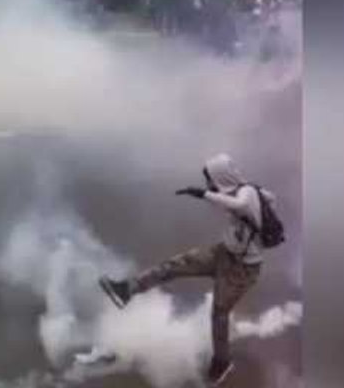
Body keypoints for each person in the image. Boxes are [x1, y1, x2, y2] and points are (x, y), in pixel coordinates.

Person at [97, 154, 276, 385]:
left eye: (211, 179)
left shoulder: (247, 194)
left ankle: (222, 363)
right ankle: (126, 290)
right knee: (175, 265)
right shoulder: (246, 192)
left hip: (242, 269)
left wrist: (203, 195)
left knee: (219, 315)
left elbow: (241, 204)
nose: (209, 184)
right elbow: (270, 198)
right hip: (224, 253)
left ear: (221, 177)